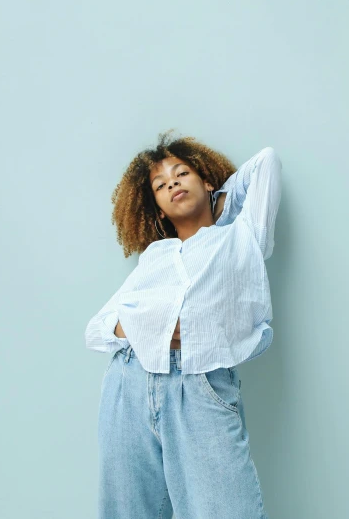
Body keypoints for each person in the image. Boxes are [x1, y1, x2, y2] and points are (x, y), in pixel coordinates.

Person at [84, 129, 281, 518]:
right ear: (157, 210)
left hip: (200, 385)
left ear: (207, 180)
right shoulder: (155, 258)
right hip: (129, 384)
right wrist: (146, 326)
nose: (172, 182)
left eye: (182, 174)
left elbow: (266, 163)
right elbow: (98, 328)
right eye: (160, 184)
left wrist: (219, 201)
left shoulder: (242, 237)